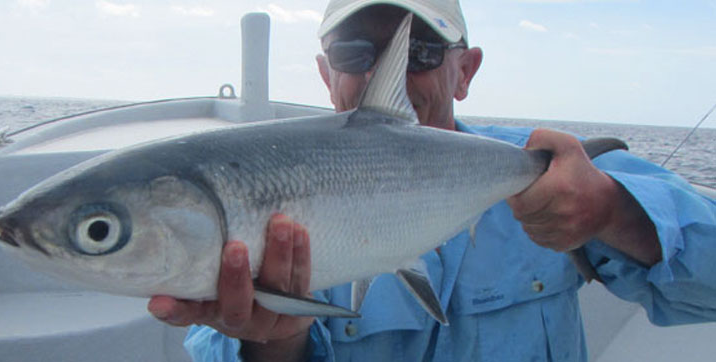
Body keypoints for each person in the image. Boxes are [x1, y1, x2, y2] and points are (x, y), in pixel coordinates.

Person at [147, 1, 716, 361]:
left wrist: (614, 212)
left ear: (463, 71)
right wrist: (274, 342)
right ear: (327, 74)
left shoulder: (549, 168)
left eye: (417, 51)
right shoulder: (269, 191)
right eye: (353, 52)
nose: (377, 74)